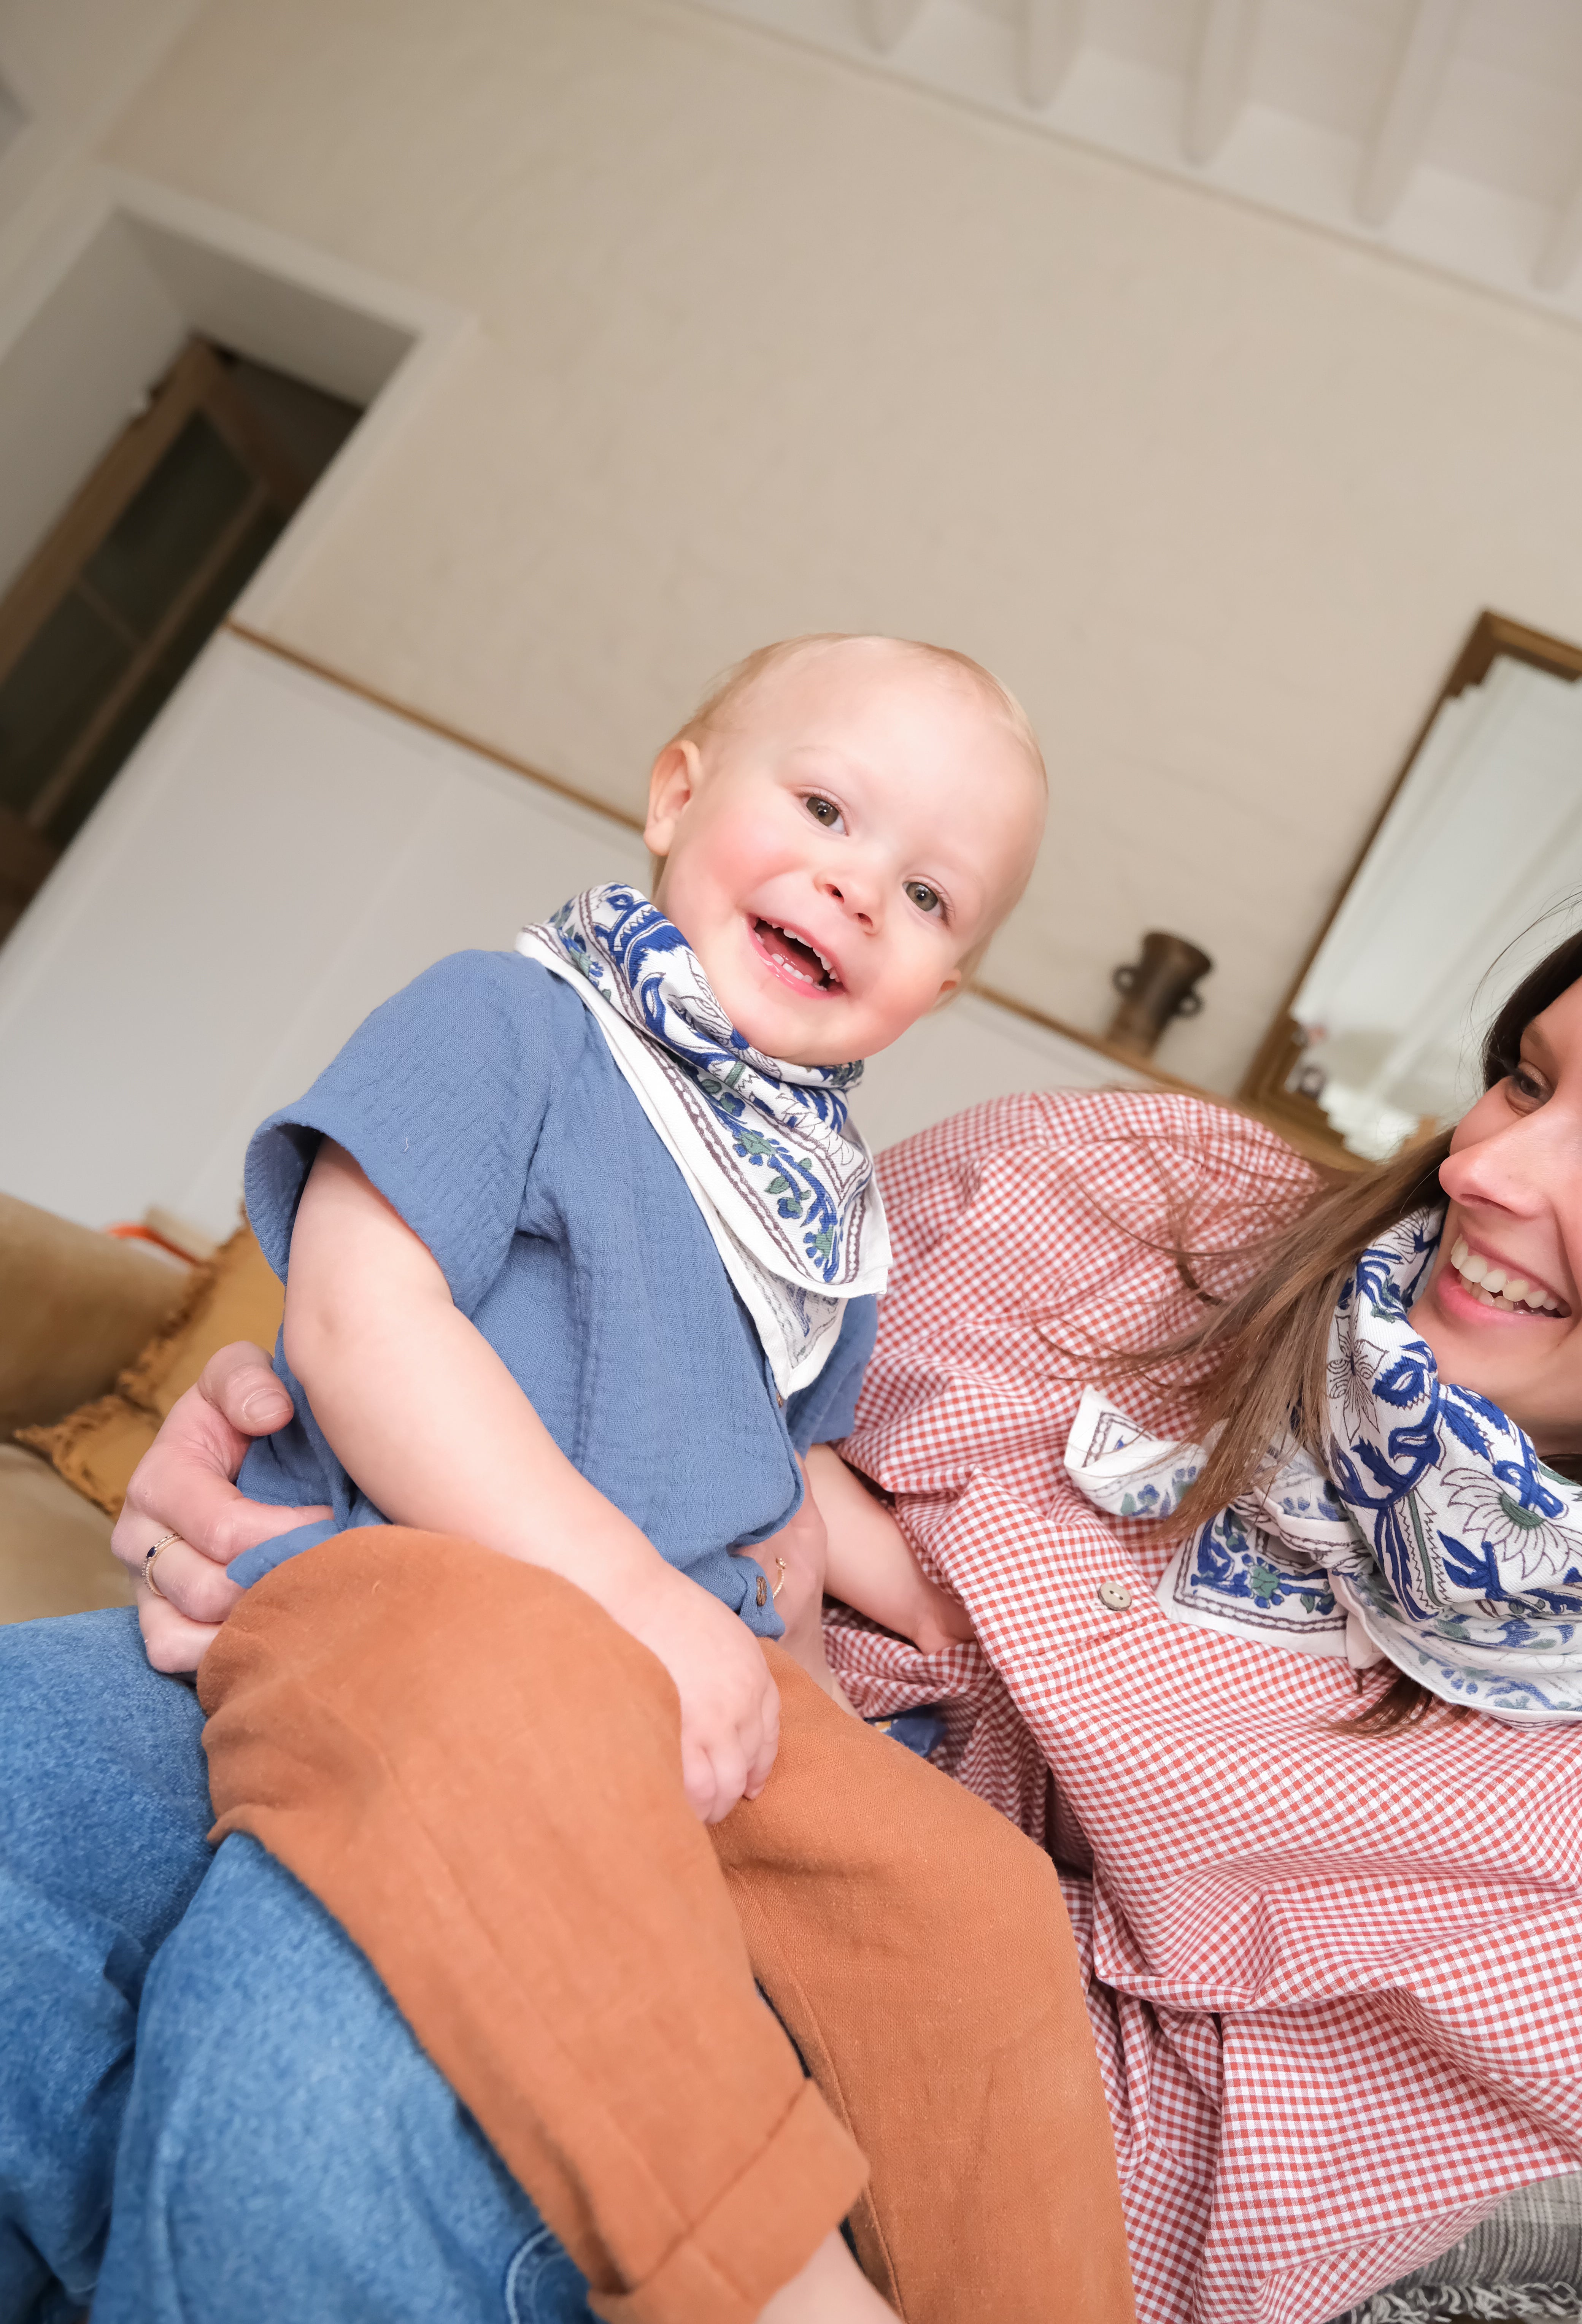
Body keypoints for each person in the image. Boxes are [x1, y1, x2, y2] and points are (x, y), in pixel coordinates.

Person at [111, 921, 1582, 2322]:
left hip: (811, 2037)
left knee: (309, 2090)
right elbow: (610, 1343)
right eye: (1528, 1076)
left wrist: (853, 1625)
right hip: (497, 1635)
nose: (1488, 1167)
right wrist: (338, 1432)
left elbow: (1115, 2207)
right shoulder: (1130, 1184)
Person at [0, 637, 1134, 2324]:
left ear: (942, 988)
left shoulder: (819, 1216)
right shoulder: (513, 1022)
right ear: (678, 792)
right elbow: (361, 1315)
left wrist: (804, 1713)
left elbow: (775, 1501)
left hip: (699, 1669)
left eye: (925, 895)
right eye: (821, 806)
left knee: (974, 1906)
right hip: (443, 1602)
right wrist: (618, 1590)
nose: (851, 881)